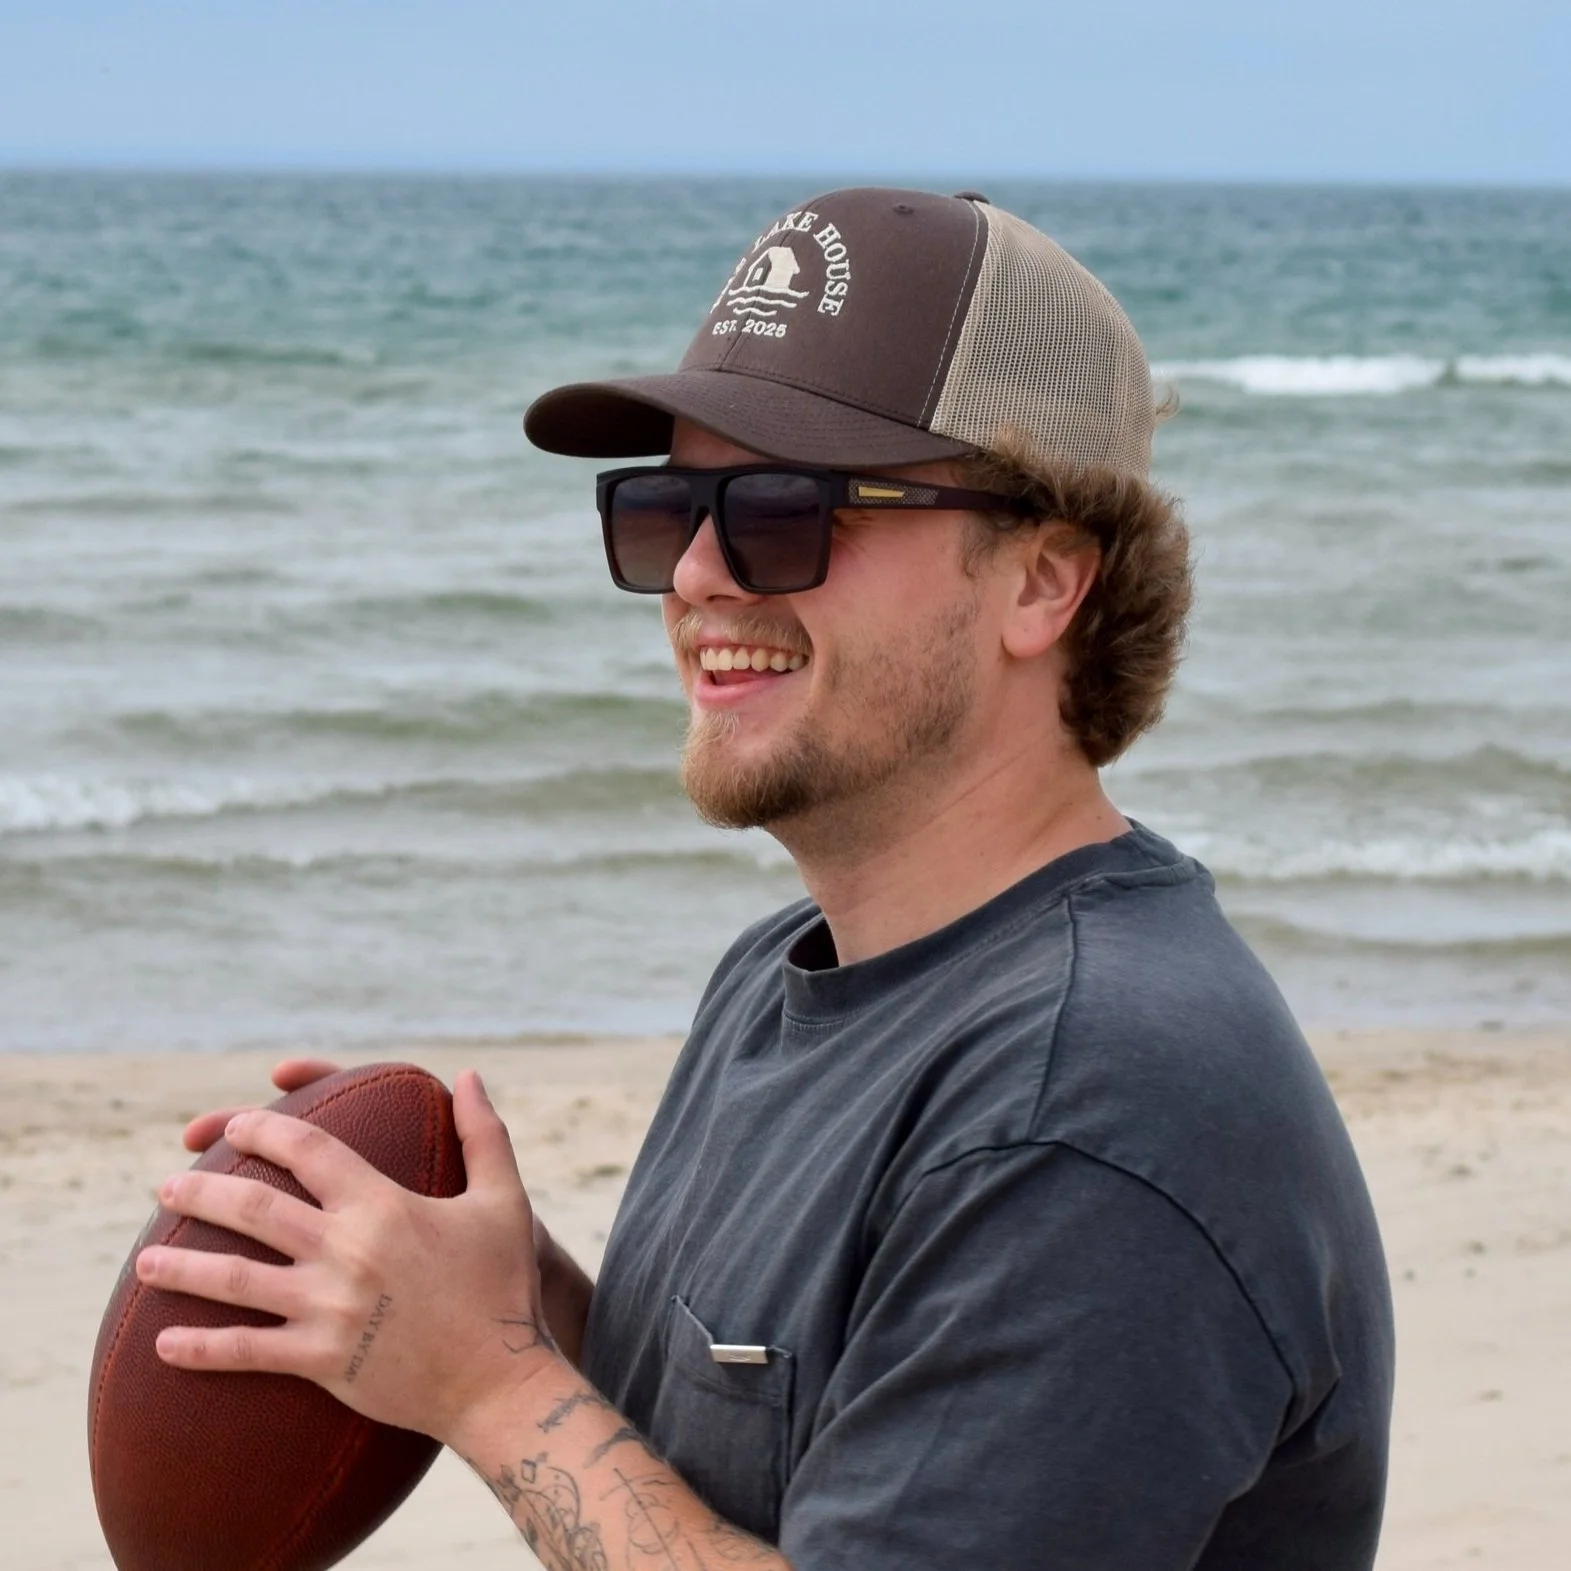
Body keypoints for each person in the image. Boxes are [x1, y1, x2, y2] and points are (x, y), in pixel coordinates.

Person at [150, 188, 1395, 1570]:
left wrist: (490, 1384)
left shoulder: (1089, 1104)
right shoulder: (788, 972)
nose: (694, 572)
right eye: (669, 504)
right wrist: (489, 1298)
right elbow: (739, 1468)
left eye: (785, 508)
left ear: (1041, 583)